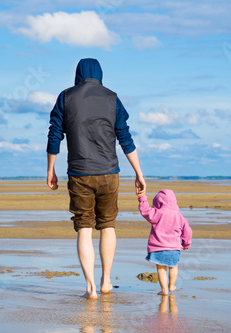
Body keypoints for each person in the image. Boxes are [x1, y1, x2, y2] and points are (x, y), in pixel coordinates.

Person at [46, 58, 146, 299]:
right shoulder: (112, 97)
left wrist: (50, 169)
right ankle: (106, 280)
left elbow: (54, 134)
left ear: (78, 74)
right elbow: (125, 138)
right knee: (108, 225)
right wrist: (138, 173)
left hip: (79, 173)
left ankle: (90, 288)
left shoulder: (65, 97)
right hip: (109, 173)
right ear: (99, 73)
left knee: (84, 227)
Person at [138, 189, 192, 295]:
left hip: (158, 248)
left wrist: (142, 198)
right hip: (174, 248)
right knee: (174, 266)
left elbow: (144, 211)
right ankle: (171, 285)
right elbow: (187, 231)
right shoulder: (179, 216)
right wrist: (186, 243)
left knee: (161, 269)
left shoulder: (157, 213)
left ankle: (164, 290)